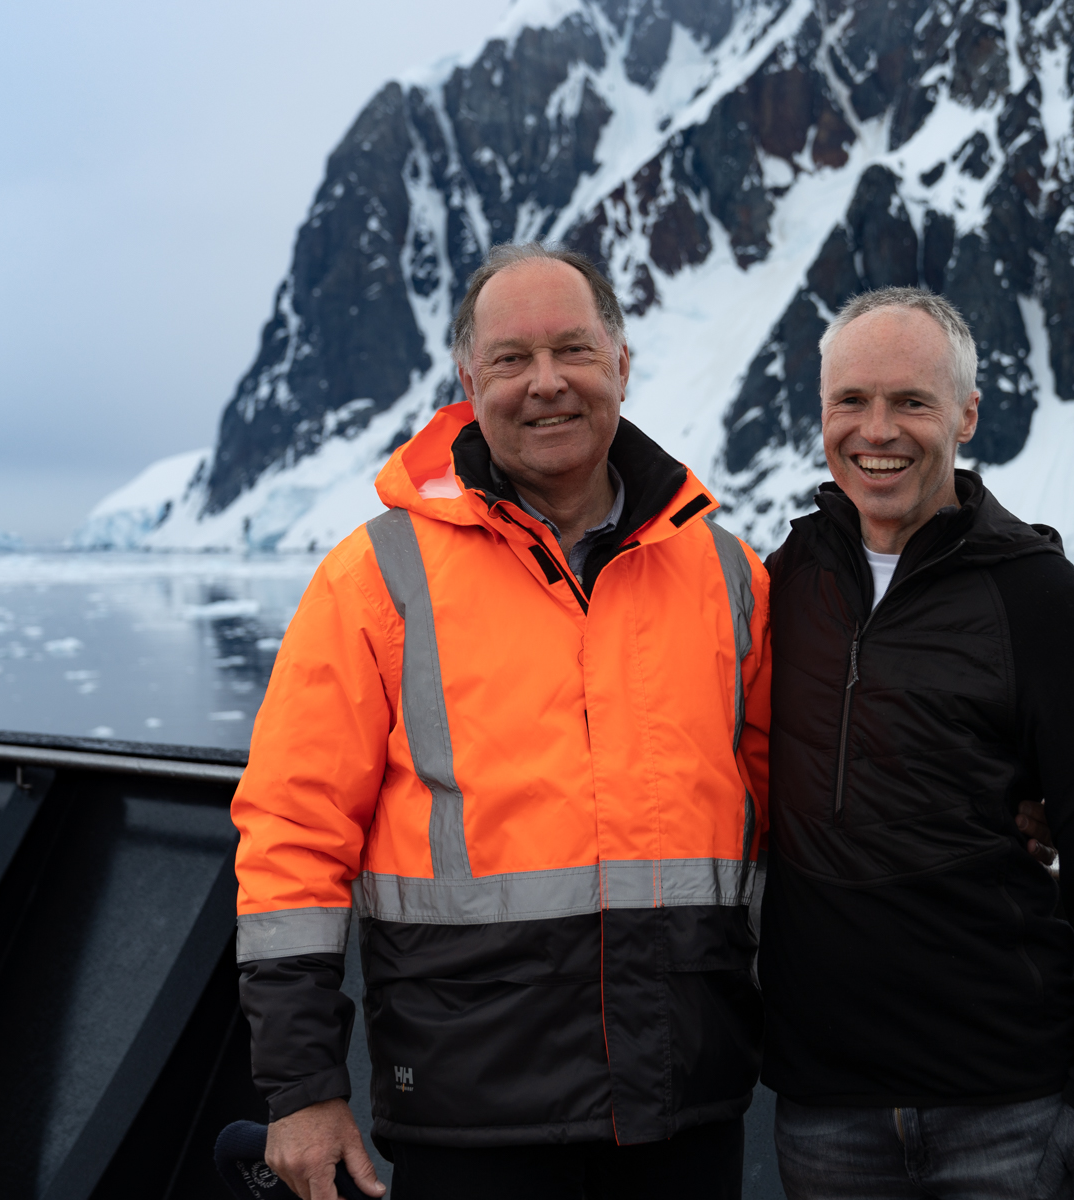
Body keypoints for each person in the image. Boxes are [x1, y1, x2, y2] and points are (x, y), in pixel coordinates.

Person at [230, 243, 772, 1200]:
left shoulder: (727, 576)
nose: (547, 384)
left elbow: (801, 792)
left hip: (684, 1100)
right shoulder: (377, 579)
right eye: (513, 360)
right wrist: (302, 1088)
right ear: (469, 380)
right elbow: (292, 835)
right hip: (472, 1113)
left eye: (573, 350)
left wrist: (1008, 793)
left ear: (621, 365)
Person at [757, 286, 1074, 1199]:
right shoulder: (782, 587)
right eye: (852, 401)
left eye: (912, 401)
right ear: (821, 414)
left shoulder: (1042, 601)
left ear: (967, 415)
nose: (879, 430)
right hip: (825, 1109)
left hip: (1006, 1106)